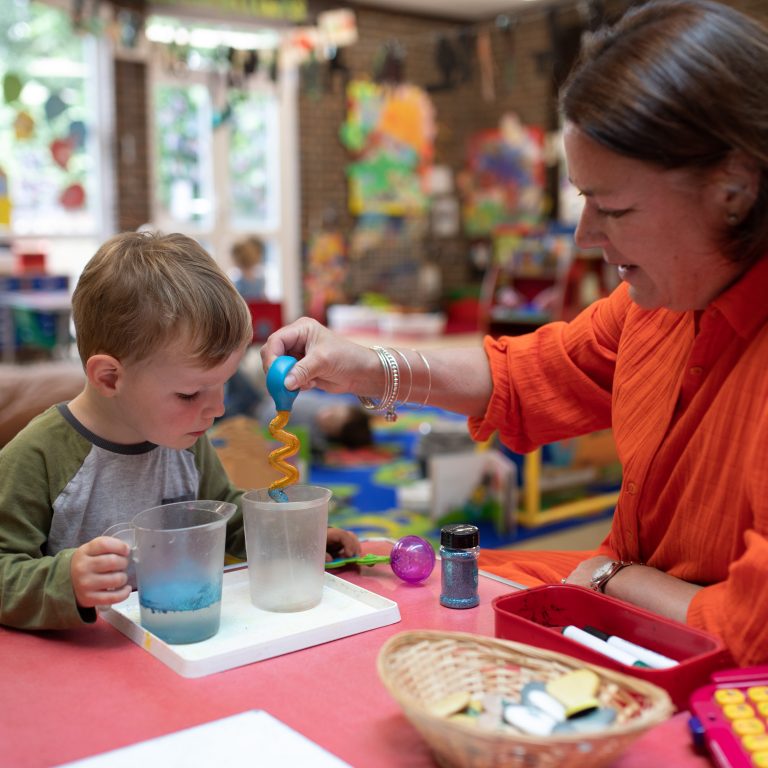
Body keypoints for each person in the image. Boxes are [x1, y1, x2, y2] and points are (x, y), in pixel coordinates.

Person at [261, 0, 768, 667]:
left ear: (733, 187)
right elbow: (531, 374)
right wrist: (363, 367)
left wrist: (618, 578)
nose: (586, 236)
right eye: (583, 199)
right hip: (627, 615)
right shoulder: (662, 302)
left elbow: (750, 629)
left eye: (612, 207)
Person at [0, 231, 360, 631]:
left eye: (222, 383)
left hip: (175, 649)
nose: (218, 408)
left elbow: (224, 516)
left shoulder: (183, 440)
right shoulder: (38, 457)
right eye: (190, 393)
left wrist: (292, 542)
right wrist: (65, 581)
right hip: (81, 667)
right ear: (109, 377)